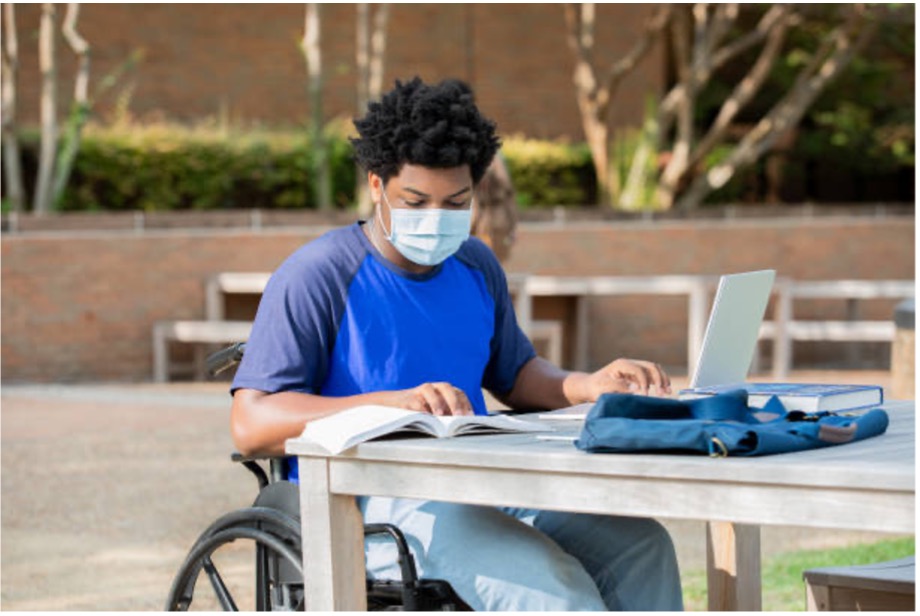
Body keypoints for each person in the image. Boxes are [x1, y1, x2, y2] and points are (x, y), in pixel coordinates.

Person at [230, 76, 683, 611]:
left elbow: (514, 376)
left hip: (481, 485)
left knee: (641, 545)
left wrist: (588, 384)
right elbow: (251, 425)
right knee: (555, 590)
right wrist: (389, 403)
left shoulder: (474, 264)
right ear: (377, 185)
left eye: (456, 202)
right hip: (370, 503)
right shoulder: (318, 274)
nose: (436, 219)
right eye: (415, 200)